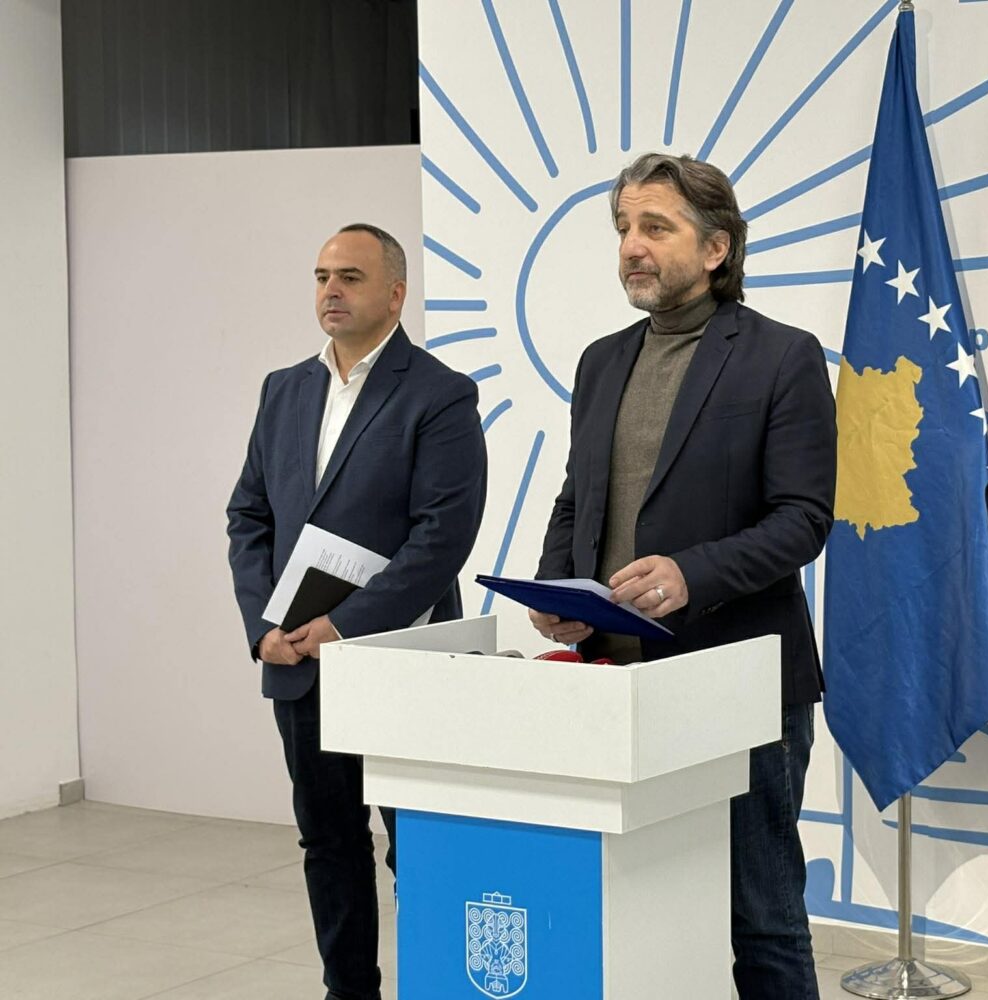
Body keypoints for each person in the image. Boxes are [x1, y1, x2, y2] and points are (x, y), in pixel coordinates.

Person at [530, 153, 836, 998]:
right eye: (623, 227)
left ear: (715, 248)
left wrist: (691, 574)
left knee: (760, 918)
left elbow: (803, 518)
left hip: (737, 686)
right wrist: (558, 588)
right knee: (639, 913)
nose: (631, 245)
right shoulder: (600, 361)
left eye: (655, 228)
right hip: (613, 685)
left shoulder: (781, 356)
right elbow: (578, 497)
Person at [226, 223, 487, 1000]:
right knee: (329, 844)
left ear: (395, 294)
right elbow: (248, 517)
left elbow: (442, 538)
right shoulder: (283, 389)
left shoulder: (439, 393)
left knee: (423, 848)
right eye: (320, 277)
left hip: (402, 663)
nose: (330, 291)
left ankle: (438, 986)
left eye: (349, 276)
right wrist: (263, 629)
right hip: (301, 664)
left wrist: (347, 625)